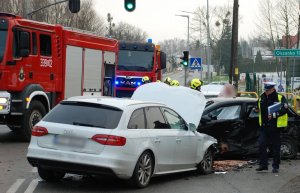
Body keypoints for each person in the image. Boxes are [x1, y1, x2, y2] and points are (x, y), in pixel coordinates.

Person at [255, 82, 288, 173]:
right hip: (264, 127)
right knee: (262, 145)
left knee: (276, 147)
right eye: (265, 90)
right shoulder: (262, 97)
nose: (266, 92)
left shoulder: (280, 97)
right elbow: (257, 105)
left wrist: (275, 114)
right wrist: (256, 109)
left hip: (275, 127)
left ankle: (275, 166)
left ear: (273, 89)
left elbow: (285, 109)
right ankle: (263, 165)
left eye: (268, 90)